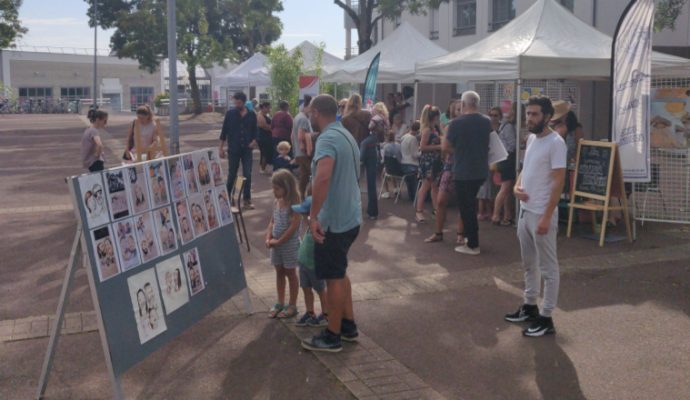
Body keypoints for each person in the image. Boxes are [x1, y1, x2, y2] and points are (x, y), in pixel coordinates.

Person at [302, 94, 361, 353]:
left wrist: (313, 217)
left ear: (315, 112)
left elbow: (323, 178)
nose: (309, 117)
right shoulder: (345, 134)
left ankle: (332, 335)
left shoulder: (327, 138)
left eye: (309, 112)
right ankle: (347, 326)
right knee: (340, 271)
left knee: (334, 277)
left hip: (333, 222)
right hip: (349, 217)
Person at [505, 95, 567, 337]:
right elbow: (524, 168)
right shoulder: (531, 138)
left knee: (549, 268)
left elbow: (558, 180)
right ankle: (530, 306)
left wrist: (547, 216)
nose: (529, 118)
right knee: (529, 264)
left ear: (547, 117)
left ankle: (546, 317)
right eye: (528, 113)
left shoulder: (556, 142)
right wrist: (515, 187)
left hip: (542, 213)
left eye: (534, 114)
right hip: (526, 212)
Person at [443, 91, 491, 256]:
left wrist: (460, 150)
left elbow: (446, 147)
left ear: (463, 104)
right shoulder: (486, 121)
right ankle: (471, 239)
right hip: (481, 169)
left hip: (463, 170)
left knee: (466, 208)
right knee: (471, 206)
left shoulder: (456, 123)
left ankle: (472, 243)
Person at [425, 100, 465, 244]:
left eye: (462, 109)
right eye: (458, 109)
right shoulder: (450, 126)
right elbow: (444, 147)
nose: (460, 111)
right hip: (449, 165)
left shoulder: (468, 127)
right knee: (441, 201)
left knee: (463, 202)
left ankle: (460, 234)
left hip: (463, 167)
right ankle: (438, 232)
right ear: (453, 111)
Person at [265, 169, 302, 319]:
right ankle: (280, 301)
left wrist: (279, 241)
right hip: (276, 245)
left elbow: (293, 227)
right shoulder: (277, 202)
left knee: (291, 273)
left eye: (277, 188)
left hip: (289, 246)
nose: (274, 191)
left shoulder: (295, 203)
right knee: (279, 272)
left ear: (287, 187)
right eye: (273, 188)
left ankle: (292, 304)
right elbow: (272, 221)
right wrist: (268, 237)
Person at [293, 196, 328, 327]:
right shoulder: (309, 226)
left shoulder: (319, 227)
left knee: (320, 289)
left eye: (304, 213)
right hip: (304, 264)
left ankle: (326, 314)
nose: (302, 216)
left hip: (314, 266)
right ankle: (310, 312)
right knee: (306, 288)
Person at [219, 92, 257, 210]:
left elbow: (256, 131)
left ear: (244, 102)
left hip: (247, 149)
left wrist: (254, 141)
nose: (236, 104)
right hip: (233, 149)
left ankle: (247, 200)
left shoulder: (252, 115)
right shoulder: (230, 114)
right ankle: (226, 198)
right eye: (235, 102)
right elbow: (224, 131)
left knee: (247, 174)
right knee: (232, 174)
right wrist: (220, 147)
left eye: (239, 102)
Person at [415, 105, 442, 223]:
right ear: (434, 117)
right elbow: (422, 147)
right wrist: (438, 146)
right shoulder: (427, 130)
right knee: (425, 185)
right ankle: (419, 211)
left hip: (435, 160)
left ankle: (436, 208)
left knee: (434, 185)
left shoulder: (435, 129)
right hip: (428, 161)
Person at [360, 104, 387, 219]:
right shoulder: (385, 119)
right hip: (376, 144)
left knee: (363, 143)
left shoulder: (376, 118)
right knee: (372, 184)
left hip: (372, 141)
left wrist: (368, 124)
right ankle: (373, 211)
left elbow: (370, 126)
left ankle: (360, 159)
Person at [493, 103, 518, 226]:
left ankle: (507, 216)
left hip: (504, 159)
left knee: (507, 189)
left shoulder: (505, 125)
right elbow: (512, 145)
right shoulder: (508, 126)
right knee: (505, 188)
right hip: (507, 160)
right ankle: (496, 214)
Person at [477, 107, 502, 221]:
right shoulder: (485, 127)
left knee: (493, 187)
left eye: (496, 115)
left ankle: (490, 211)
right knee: (484, 186)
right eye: (491, 115)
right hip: (486, 159)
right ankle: (482, 212)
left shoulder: (502, 128)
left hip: (499, 159)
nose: (493, 117)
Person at [292, 95, 314, 198]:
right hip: (304, 153)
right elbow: (301, 136)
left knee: (304, 177)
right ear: (308, 106)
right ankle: (308, 199)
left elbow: (293, 135)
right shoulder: (303, 119)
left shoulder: (298, 116)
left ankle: (300, 197)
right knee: (314, 176)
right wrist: (306, 149)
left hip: (299, 152)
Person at [400, 121, 421, 201]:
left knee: (409, 181)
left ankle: (411, 195)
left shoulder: (404, 137)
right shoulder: (413, 139)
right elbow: (414, 155)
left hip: (403, 163)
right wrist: (422, 151)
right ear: (418, 131)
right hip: (412, 164)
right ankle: (417, 197)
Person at [381, 129, 403, 199]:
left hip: (389, 169)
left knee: (383, 174)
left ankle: (387, 192)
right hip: (399, 168)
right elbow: (400, 157)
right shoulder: (399, 145)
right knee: (393, 171)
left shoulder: (385, 147)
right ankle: (396, 189)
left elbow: (383, 159)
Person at [256, 101, 273, 175]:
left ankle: (263, 167)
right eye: (268, 108)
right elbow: (265, 126)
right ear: (263, 108)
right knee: (264, 153)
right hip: (263, 137)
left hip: (266, 136)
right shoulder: (260, 116)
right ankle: (262, 168)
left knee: (266, 152)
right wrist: (273, 128)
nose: (269, 109)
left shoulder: (266, 115)